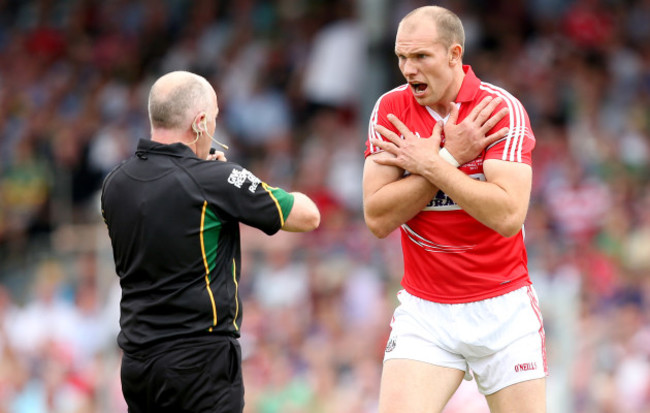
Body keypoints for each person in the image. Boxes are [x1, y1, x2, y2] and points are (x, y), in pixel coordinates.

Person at [101, 70, 320, 413]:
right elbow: (308, 216)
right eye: (215, 119)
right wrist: (232, 180)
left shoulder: (115, 182)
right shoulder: (215, 181)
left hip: (137, 363)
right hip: (200, 361)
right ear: (200, 122)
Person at [363, 6, 546, 413]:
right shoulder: (390, 109)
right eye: (401, 57)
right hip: (425, 311)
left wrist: (428, 164)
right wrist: (446, 159)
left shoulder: (499, 109)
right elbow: (377, 217)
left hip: (502, 309)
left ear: (454, 54)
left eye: (420, 57)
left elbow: (507, 215)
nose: (408, 69)